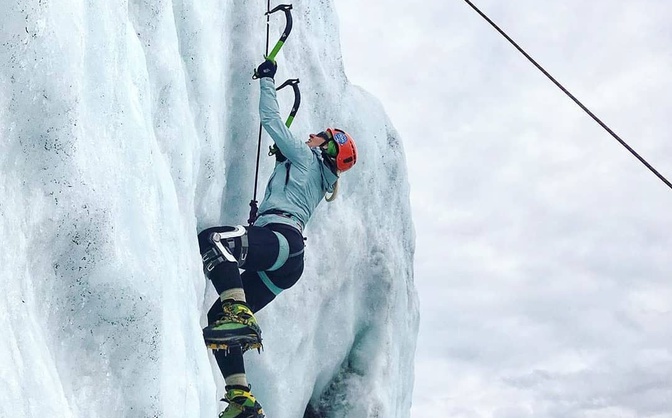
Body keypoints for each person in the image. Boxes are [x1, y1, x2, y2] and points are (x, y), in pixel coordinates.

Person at [197, 58, 358, 418]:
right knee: (215, 314)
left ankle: (239, 311)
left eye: (321, 136)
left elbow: (271, 122)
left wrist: (267, 80)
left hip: (281, 239)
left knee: (213, 240)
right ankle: (241, 398)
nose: (313, 135)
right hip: (288, 258)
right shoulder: (315, 175)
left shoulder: (306, 158)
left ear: (327, 149)